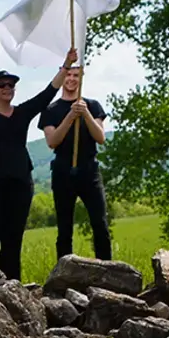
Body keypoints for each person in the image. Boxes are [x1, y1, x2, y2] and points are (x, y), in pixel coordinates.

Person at [0, 51, 74, 281]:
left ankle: (11, 286)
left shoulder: (22, 113)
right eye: (2, 85)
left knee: (12, 238)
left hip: (20, 185)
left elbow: (47, 94)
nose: (8, 88)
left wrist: (66, 65)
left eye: (11, 85)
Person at [38, 65, 112, 260]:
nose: (71, 79)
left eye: (76, 75)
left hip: (89, 170)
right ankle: (64, 275)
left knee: (100, 224)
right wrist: (70, 116)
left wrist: (85, 114)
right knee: (64, 229)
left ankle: (107, 272)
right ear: (63, 77)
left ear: (82, 78)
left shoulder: (93, 105)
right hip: (63, 172)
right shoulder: (50, 110)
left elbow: (100, 137)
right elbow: (52, 141)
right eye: (68, 75)